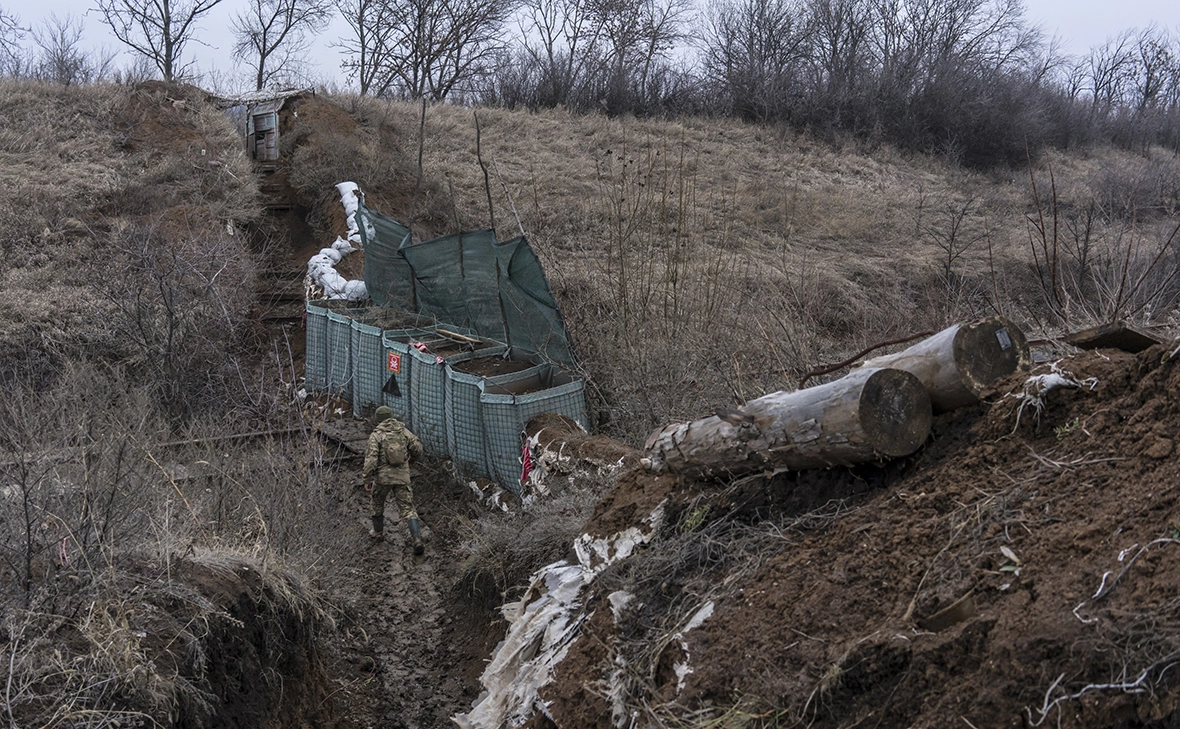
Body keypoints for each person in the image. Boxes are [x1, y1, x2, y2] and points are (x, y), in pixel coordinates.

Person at [363, 406, 426, 554]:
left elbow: (371, 460)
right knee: (408, 508)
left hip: (382, 478)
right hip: (402, 477)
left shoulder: (377, 435)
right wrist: (411, 462)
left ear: (378, 419)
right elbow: (418, 448)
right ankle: (417, 539)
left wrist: (367, 478)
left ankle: (378, 533)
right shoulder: (403, 431)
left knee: (377, 503)